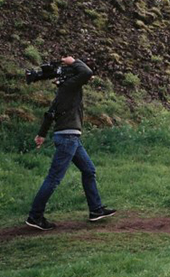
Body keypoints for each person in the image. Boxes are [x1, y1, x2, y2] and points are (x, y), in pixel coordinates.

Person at [26, 56, 116, 230]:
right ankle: (35, 216)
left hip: (69, 137)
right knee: (54, 178)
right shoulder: (69, 86)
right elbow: (86, 72)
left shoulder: (64, 90)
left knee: (88, 170)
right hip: (68, 138)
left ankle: (96, 210)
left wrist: (41, 134)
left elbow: (50, 113)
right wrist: (73, 61)